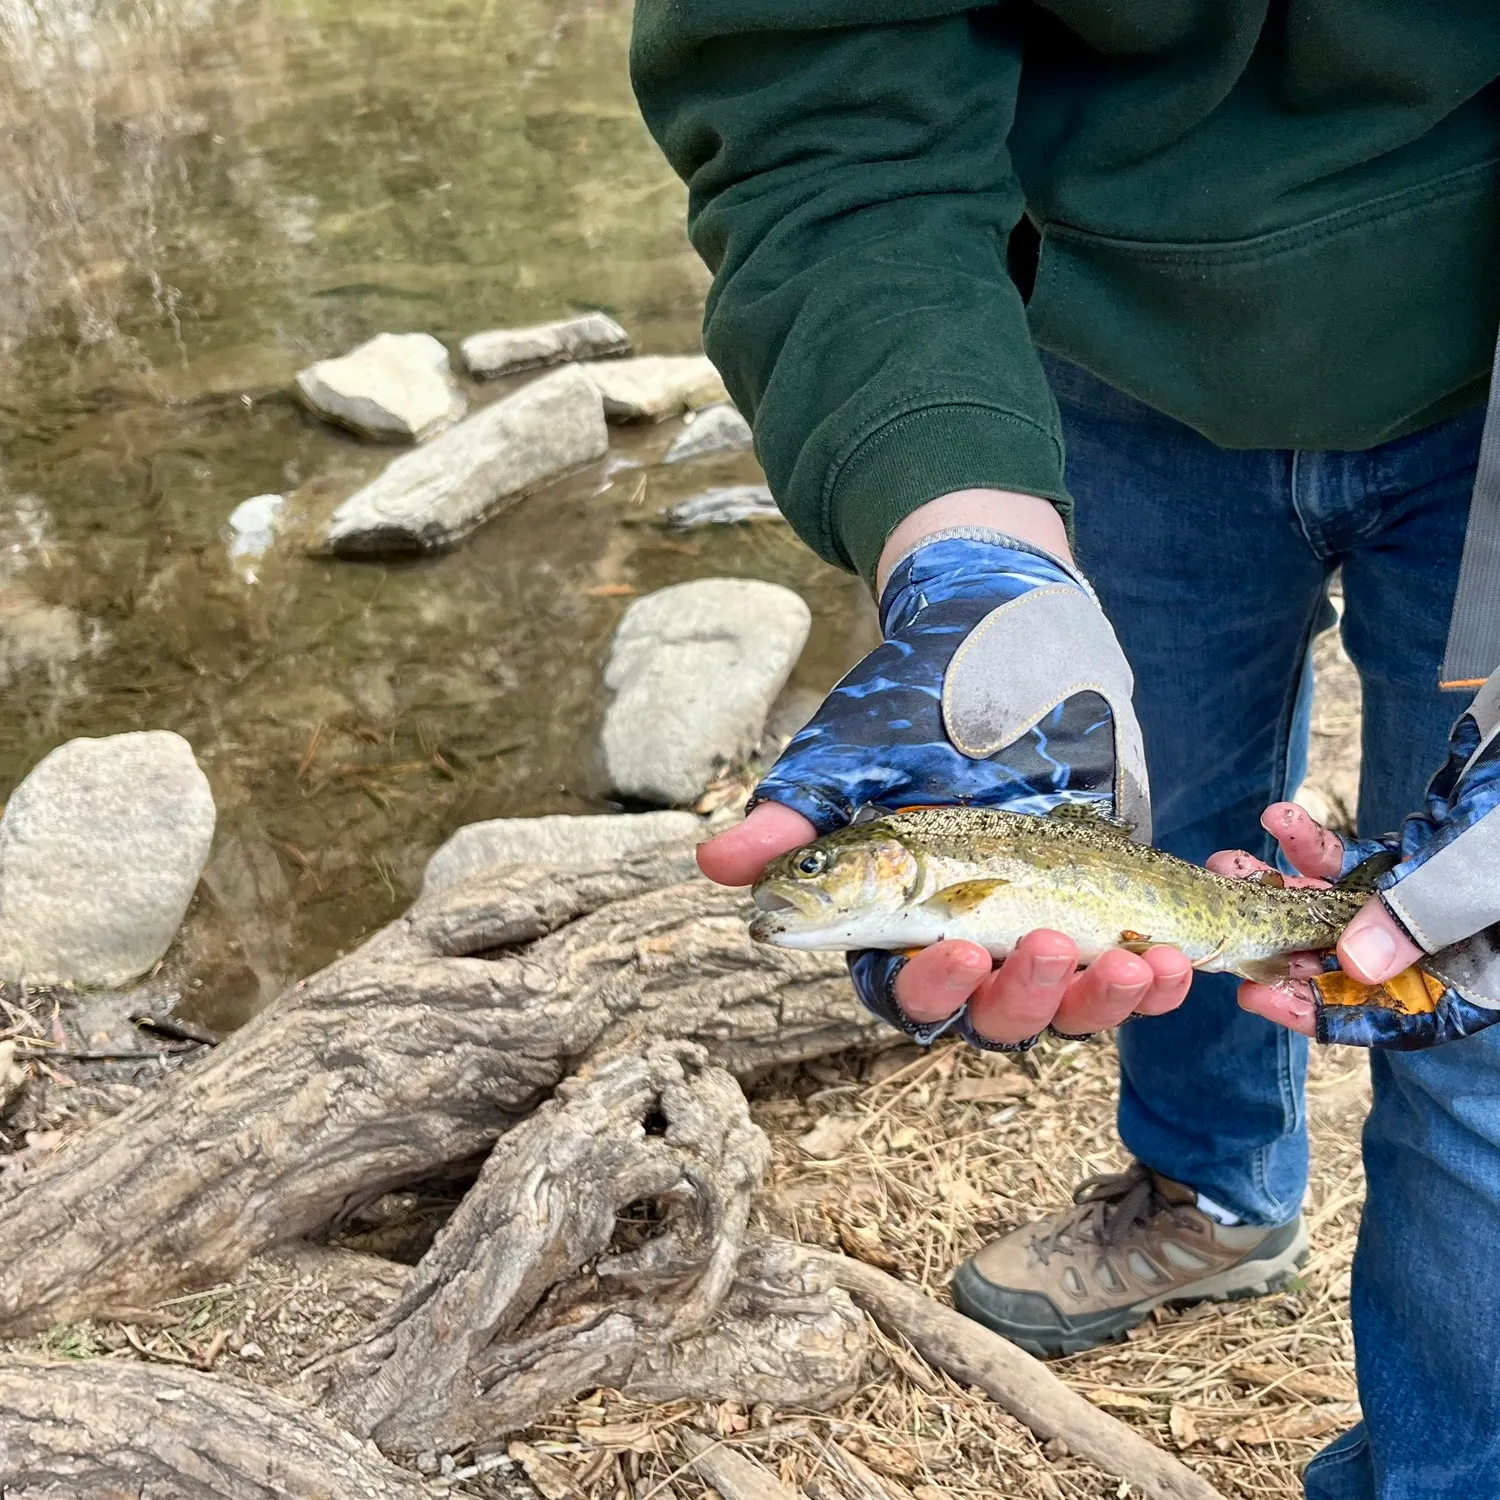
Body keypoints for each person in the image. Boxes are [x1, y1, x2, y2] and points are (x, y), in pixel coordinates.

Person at [630, 7, 1500, 1497]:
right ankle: (1210, 1193)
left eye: (838, 881)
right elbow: (821, 102)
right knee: (1168, 817)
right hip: (1086, 357)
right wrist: (964, 531)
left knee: (1470, 988)